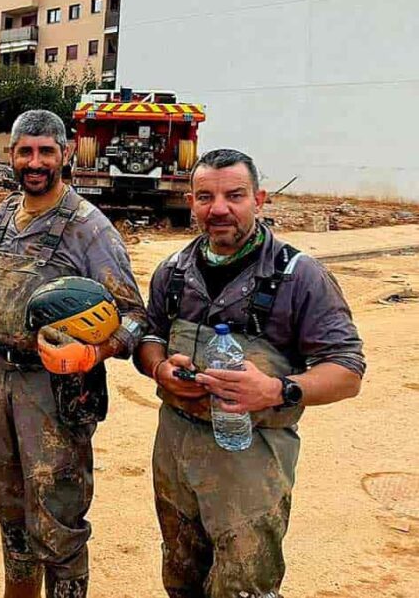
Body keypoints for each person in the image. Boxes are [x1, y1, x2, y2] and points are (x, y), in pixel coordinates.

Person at [134, 148, 365, 598]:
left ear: (259, 199)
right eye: (205, 197)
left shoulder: (301, 278)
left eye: (234, 195)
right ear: (191, 201)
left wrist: (278, 389)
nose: (219, 208)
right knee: (181, 578)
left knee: (245, 586)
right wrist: (159, 367)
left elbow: (348, 370)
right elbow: (148, 336)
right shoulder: (173, 272)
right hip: (176, 456)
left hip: (252, 463)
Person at [0, 109, 147, 598]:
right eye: (25, 151)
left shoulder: (88, 228)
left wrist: (94, 353)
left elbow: (135, 316)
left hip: (55, 391)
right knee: (6, 497)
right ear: (11, 155)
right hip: (0, 381)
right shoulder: (6, 214)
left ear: (65, 153)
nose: (35, 162)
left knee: (57, 512)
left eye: (46, 151)